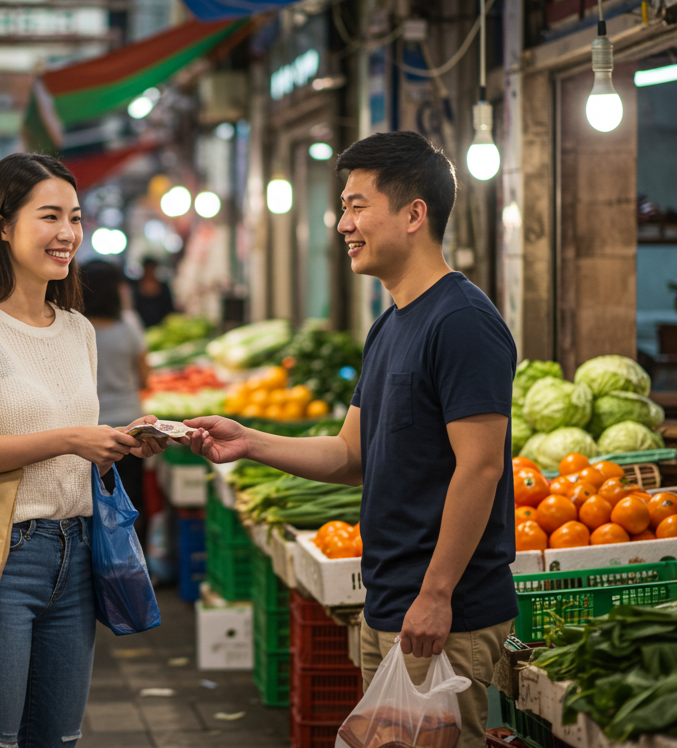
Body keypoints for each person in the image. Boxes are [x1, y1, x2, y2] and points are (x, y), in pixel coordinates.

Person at [177, 132, 515, 748]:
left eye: (358, 206)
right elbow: (350, 454)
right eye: (344, 207)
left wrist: (436, 595)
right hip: (387, 602)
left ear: (415, 214)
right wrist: (248, 440)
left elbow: (482, 469)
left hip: (444, 614)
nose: (342, 224)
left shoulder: (462, 322)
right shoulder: (389, 326)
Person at [0, 152, 167, 748]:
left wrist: (114, 442)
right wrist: (69, 440)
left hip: (79, 552)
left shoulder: (78, 330)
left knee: (58, 739)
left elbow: (71, 440)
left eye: (76, 218)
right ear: (3, 225)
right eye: (50, 216)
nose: (67, 234)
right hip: (1, 557)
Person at [79, 260, 152, 545]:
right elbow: (145, 378)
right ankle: (134, 564)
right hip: (130, 428)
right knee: (130, 499)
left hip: (87, 433)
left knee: (90, 504)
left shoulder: (73, 328)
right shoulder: (130, 325)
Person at [132, 257, 175, 329]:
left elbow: (170, 308)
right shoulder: (135, 286)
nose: (150, 271)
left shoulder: (163, 286)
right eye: (148, 269)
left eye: (152, 268)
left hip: (163, 327)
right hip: (142, 326)